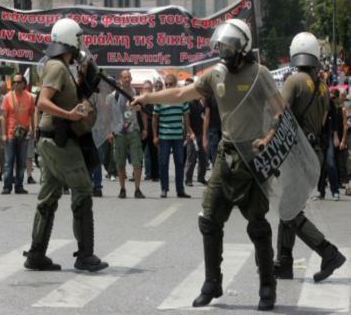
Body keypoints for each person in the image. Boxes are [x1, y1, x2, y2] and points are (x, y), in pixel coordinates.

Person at [132, 19, 277, 311]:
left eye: (230, 44)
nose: (224, 50)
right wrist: (147, 97)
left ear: (242, 46)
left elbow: (280, 114)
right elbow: (179, 94)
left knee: (258, 227)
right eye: (222, 44)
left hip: (253, 157)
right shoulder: (216, 75)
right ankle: (212, 283)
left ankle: (267, 287)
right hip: (225, 156)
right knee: (209, 220)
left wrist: (267, 139)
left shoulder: (260, 74)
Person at [23, 18, 108, 272]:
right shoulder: (57, 67)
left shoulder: (63, 67)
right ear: (71, 39)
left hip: (52, 140)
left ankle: (36, 254)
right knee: (82, 189)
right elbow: (43, 102)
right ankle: (85, 255)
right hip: (60, 141)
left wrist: (83, 81)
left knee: (48, 197)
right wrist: (70, 115)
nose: (82, 43)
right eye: (79, 38)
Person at [274, 32, 346, 282]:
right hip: (313, 153)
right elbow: (323, 120)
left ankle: (328, 252)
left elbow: (279, 113)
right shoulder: (324, 87)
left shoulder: (294, 81)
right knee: (289, 206)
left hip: (296, 153)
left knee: (289, 210)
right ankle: (283, 262)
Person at [107, 70, 147, 199]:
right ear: (120, 79)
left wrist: (144, 128)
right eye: (125, 77)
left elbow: (142, 112)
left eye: (129, 77)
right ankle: (122, 189)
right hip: (119, 132)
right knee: (120, 162)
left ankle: (137, 189)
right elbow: (109, 116)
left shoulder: (136, 94)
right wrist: (109, 131)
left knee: (137, 161)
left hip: (133, 130)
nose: (127, 79)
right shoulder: (113, 96)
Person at [153, 74, 192, 198]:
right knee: (163, 163)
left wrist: (188, 132)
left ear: (175, 84)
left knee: (180, 163)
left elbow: (186, 117)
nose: (168, 86)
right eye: (167, 84)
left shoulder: (182, 98)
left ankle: (180, 190)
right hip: (164, 136)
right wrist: (155, 135)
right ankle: (164, 189)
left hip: (178, 136)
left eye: (171, 84)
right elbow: (155, 118)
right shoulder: (160, 98)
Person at [1, 73, 35, 194]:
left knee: (21, 162)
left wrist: (33, 131)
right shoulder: (7, 97)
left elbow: (32, 115)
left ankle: (19, 186)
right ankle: (7, 186)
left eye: (18, 82)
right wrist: (4, 134)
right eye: (14, 82)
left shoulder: (30, 97)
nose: (16, 84)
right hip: (10, 134)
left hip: (24, 134)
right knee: (9, 162)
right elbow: (4, 117)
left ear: (23, 84)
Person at [184, 77, 208, 186]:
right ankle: (188, 179)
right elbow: (186, 120)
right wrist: (190, 133)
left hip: (201, 133)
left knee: (203, 158)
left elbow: (204, 117)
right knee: (191, 157)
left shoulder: (199, 102)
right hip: (192, 134)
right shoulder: (187, 103)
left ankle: (201, 177)